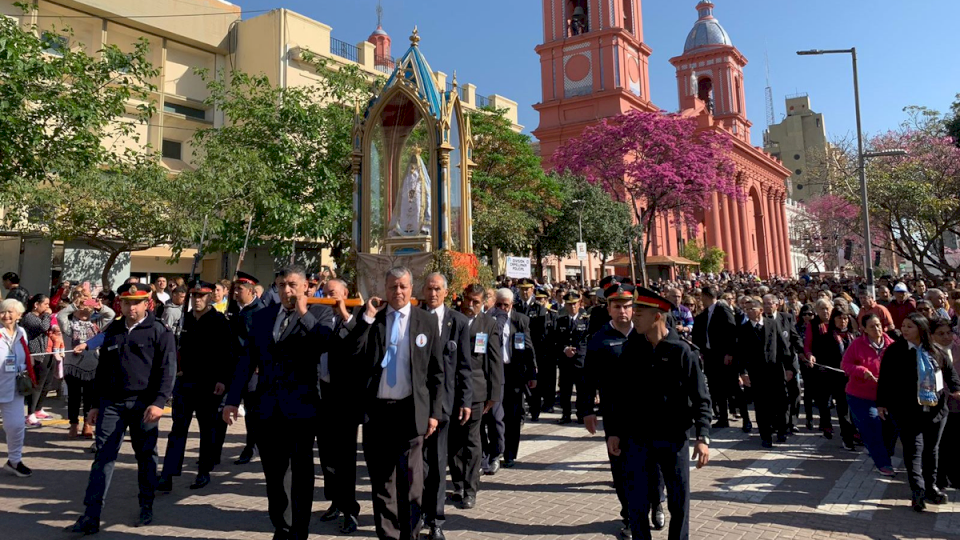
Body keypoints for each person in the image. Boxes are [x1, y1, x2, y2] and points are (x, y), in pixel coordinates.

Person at [223, 265, 335, 540]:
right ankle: (281, 525)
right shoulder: (263, 316)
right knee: (274, 474)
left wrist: (303, 312)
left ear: (306, 287)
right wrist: (232, 400)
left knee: (300, 473)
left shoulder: (320, 313)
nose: (287, 290)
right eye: (282, 285)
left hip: (301, 408)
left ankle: (299, 529)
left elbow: (323, 342)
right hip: (266, 409)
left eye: (292, 285)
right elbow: (246, 360)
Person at [66, 283, 177, 534]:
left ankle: (146, 505)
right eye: (127, 302)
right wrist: (94, 404)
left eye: (136, 302)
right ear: (121, 304)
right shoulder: (114, 330)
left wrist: (159, 402)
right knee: (103, 456)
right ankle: (91, 515)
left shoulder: (159, 331)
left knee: (146, 456)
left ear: (146, 303)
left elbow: (167, 370)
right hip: (112, 403)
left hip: (144, 404)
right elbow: (103, 371)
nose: (131, 307)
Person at [343, 266, 444, 540]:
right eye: (392, 287)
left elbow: (436, 372)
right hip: (378, 413)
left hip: (410, 411)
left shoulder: (426, 321)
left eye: (402, 286)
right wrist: (365, 317)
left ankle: (410, 534)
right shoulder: (374, 320)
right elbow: (352, 352)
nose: (397, 292)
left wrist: (434, 413)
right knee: (382, 481)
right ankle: (388, 535)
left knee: (411, 482)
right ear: (384, 290)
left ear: (411, 289)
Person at [605, 287, 712, 540]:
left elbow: (700, 397)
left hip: (672, 439)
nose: (633, 318)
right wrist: (614, 432)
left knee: (678, 502)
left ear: (657, 317)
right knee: (637, 502)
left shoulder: (681, 351)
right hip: (637, 439)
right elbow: (618, 396)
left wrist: (703, 436)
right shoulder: (632, 349)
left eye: (639, 313)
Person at [580, 282, 652, 539]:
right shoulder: (599, 339)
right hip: (614, 414)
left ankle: (654, 504)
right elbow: (588, 378)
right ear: (609, 309)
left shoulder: (645, 334)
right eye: (617, 306)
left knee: (650, 466)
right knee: (621, 468)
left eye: (627, 306)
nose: (623, 311)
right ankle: (630, 516)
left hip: (646, 413)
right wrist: (587, 409)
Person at [878, 313, 960, 512]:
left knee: (932, 451)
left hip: (936, 411)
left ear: (921, 330)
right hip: (907, 412)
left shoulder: (936, 351)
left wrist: (956, 391)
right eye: (903, 326)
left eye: (909, 327)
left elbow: (951, 376)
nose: (904, 330)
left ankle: (931, 487)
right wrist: (882, 403)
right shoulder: (895, 351)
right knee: (914, 452)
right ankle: (918, 492)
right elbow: (885, 378)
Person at [158, 281, 233, 493]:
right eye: (194, 296)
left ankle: (203, 470)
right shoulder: (186, 319)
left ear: (209, 298)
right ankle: (168, 474)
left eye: (201, 296)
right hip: (185, 381)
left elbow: (227, 354)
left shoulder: (219, 321)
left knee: (206, 429)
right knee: (178, 429)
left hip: (209, 384)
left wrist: (222, 380)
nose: (197, 299)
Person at [420, 273, 471, 540]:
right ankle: (415, 514)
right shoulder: (414, 318)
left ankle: (435, 519)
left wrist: (465, 400)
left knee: (439, 464)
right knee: (418, 464)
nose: (433, 293)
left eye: (437, 289)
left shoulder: (458, 322)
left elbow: (464, 366)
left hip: (445, 404)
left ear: (446, 292)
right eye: (429, 288)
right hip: (417, 403)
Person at [449, 284, 503, 513]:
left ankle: (471, 489)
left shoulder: (488, 324)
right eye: (468, 300)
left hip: (477, 391)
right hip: (451, 390)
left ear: (484, 304)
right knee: (453, 441)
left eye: (476, 302)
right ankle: (458, 484)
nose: (470, 306)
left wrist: (494, 394)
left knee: (472, 441)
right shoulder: (451, 321)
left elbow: (494, 361)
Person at [319, 277, 362, 534]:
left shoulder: (355, 318)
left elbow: (357, 338)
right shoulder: (324, 317)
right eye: (325, 293)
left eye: (333, 293)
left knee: (345, 458)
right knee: (327, 456)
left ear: (346, 293)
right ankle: (335, 500)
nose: (329, 298)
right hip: (323, 394)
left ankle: (349, 510)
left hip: (344, 400)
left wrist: (344, 311)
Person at [842, 313, 897, 476]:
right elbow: (845, 364)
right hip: (860, 395)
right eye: (872, 326)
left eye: (879, 325)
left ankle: (883, 452)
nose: (877, 329)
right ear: (864, 329)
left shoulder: (891, 345)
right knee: (872, 425)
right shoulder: (857, 345)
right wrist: (862, 371)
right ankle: (883, 463)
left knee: (891, 427)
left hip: (886, 396)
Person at [735, 297, 793, 448]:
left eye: (751, 309)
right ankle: (765, 436)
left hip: (775, 370)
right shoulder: (743, 329)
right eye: (746, 309)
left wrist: (789, 367)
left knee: (779, 403)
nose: (748, 312)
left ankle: (781, 430)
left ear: (760, 310)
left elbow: (782, 346)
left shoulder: (772, 324)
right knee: (761, 406)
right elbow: (741, 353)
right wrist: (743, 372)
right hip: (757, 373)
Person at [489, 288, 537, 468]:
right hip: (495, 372)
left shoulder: (521, 320)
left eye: (505, 305)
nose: (502, 308)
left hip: (514, 373)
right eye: (499, 304)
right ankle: (495, 450)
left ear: (512, 305)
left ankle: (509, 454)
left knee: (513, 414)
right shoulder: (490, 319)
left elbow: (529, 347)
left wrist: (532, 374)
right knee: (495, 414)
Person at [230, 271, 265, 466]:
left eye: (240, 289)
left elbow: (259, 341)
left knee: (252, 410)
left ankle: (251, 447)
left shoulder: (259, 310)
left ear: (251, 291)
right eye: (235, 288)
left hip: (252, 369)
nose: (236, 292)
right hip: (238, 365)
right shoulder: (239, 309)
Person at [692, 286, 738, 429]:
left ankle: (726, 416)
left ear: (706, 296)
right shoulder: (706, 313)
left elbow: (731, 331)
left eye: (702, 297)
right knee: (714, 387)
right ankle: (720, 416)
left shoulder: (722, 309)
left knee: (724, 387)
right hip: (710, 355)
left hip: (722, 355)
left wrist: (729, 352)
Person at [0, 298, 35, 477]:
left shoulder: (21, 332)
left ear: (19, 315)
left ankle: (14, 461)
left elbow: (24, 357)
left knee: (15, 426)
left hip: (14, 387)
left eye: (10, 312)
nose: (6, 315)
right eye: (3, 312)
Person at [64, 298, 101, 439]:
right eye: (81, 310)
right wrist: (74, 304)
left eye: (87, 311)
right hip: (73, 367)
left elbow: (110, 315)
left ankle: (87, 424)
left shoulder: (96, 324)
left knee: (89, 398)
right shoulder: (68, 324)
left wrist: (99, 306)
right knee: (74, 397)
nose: (84, 313)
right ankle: (73, 424)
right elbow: (61, 315)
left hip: (92, 366)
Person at [932, 318, 960, 490]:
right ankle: (939, 478)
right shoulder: (928, 353)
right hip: (938, 405)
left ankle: (956, 477)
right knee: (941, 444)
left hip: (958, 406)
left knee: (956, 444)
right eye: (940, 334)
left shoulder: (958, 350)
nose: (946, 337)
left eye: (949, 333)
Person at [555, 290, 589, 424]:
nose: (572, 307)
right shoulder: (561, 320)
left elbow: (587, 339)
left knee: (581, 389)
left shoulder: (585, 319)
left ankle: (581, 414)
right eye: (569, 304)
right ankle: (566, 414)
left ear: (579, 303)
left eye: (574, 304)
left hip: (580, 360)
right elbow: (557, 339)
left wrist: (576, 350)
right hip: (565, 361)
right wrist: (565, 349)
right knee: (565, 389)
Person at [21, 294, 53, 427]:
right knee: (37, 385)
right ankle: (30, 414)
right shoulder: (29, 317)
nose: (47, 307)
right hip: (35, 354)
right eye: (45, 304)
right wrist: (47, 315)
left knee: (46, 383)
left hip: (46, 352)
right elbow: (43, 327)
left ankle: (39, 409)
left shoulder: (40, 317)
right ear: (36, 304)